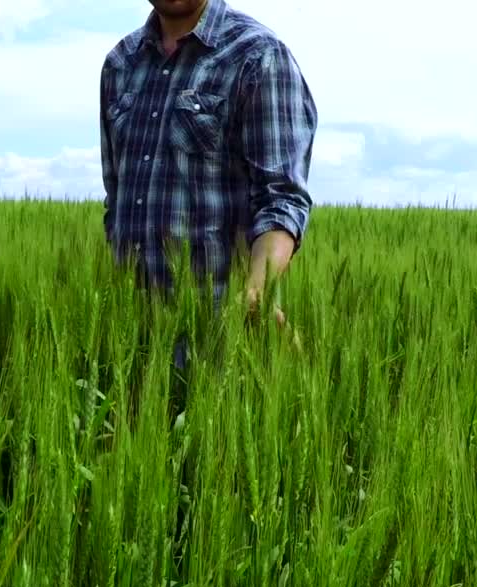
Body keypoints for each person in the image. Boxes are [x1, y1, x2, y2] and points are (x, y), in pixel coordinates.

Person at [99, 0, 317, 373]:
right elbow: (116, 198)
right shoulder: (120, 63)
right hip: (129, 348)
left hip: (220, 345)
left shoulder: (258, 56)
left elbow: (281, 198)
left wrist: (255, 293)